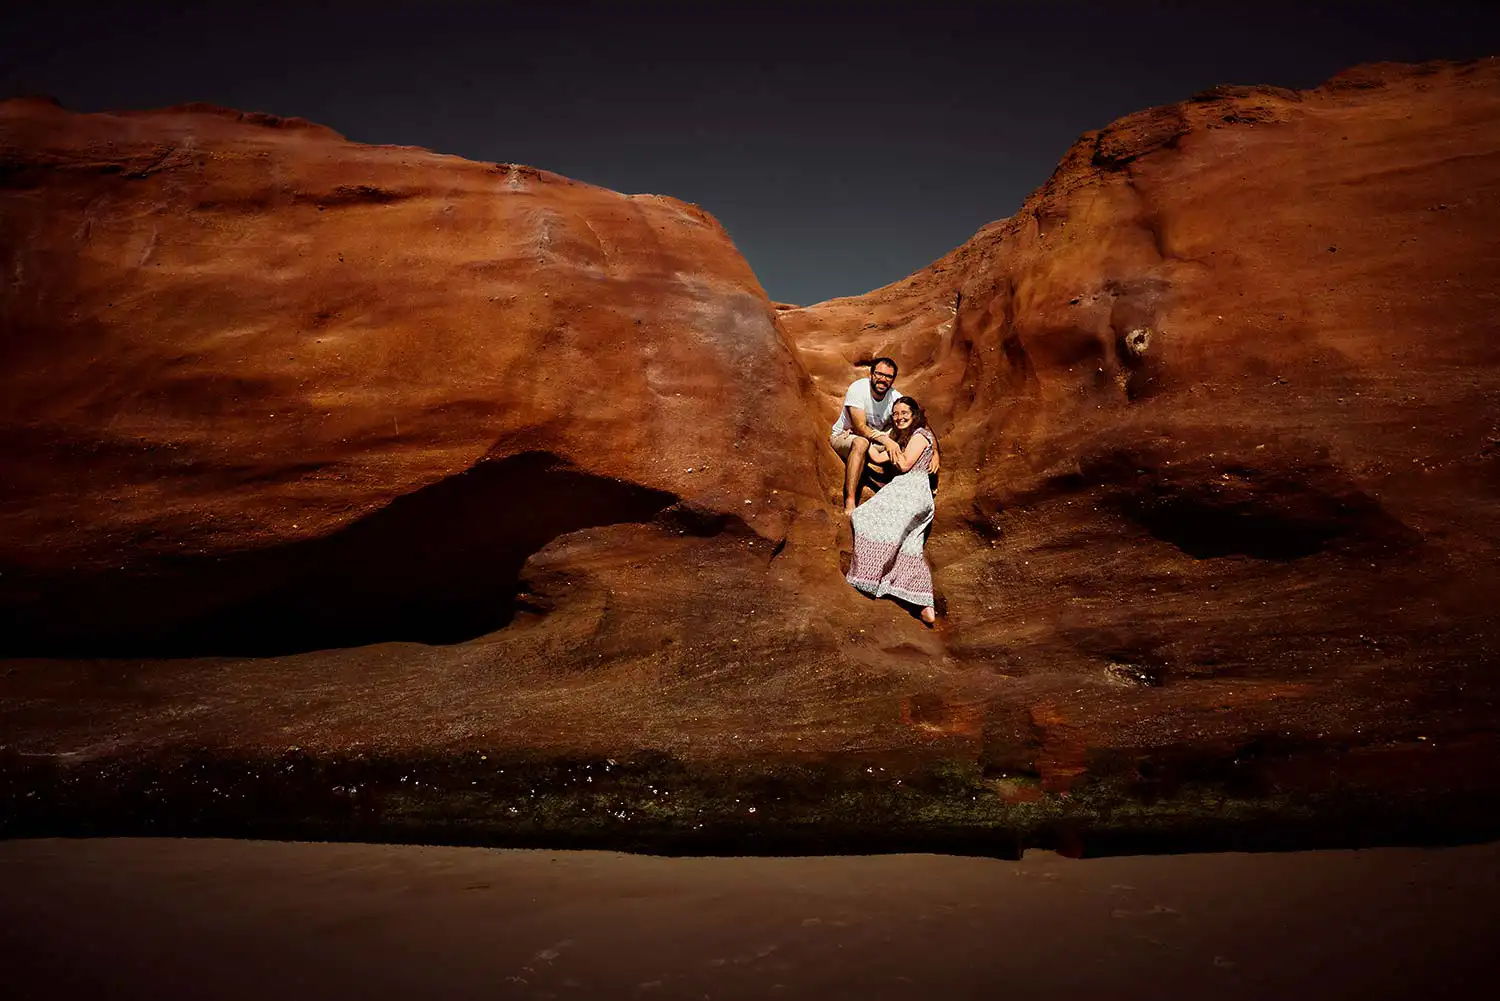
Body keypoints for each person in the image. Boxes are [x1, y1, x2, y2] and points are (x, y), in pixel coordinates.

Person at [846, 397, 939, 626]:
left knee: (865, 517)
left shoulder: (919, 435)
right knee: (909, 546)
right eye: (895, 414)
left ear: (914, 414)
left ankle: (868, 577)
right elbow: (878, 457)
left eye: (904, 412)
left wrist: (893, 446)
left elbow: (906, 464)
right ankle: (925, 603)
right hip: (909, 492)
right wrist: (864, 441)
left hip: (911, 490)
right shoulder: (904, 440)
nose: (899, 417)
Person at [829, 357, 902, 515]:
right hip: (845, 436)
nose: (883, 379)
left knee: (903, 431)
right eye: (879, 374)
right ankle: (850, 501)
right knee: (861, 442)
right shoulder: (859, 388)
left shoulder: (895, 398)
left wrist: (935, 453)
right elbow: (860, 427)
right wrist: (886, 441)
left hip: (874, 442)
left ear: (893, 380)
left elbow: (918, 423)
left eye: (888, 376)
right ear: (871, 374)